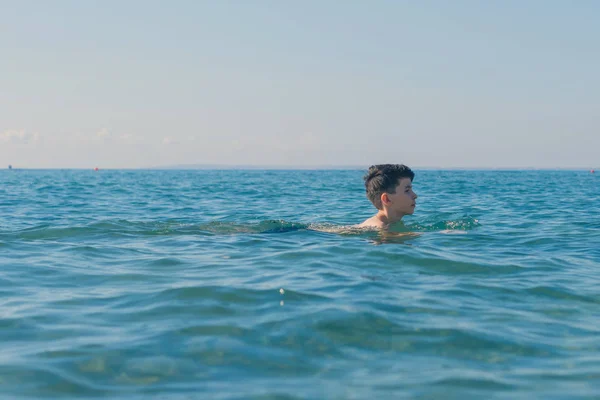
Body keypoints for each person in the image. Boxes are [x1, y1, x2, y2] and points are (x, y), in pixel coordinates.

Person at [357, 164, 418, 229]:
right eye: (407, 190)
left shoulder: (389, 224)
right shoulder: (381, 228)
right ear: (386, 199)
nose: (415, 196)